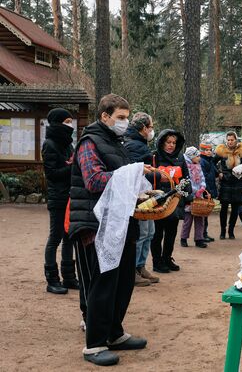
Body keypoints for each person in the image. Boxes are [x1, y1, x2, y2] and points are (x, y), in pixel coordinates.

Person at [69, 94, 148, 366]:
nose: (125, 123)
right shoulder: (89, 143)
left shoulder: (116, 142)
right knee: (102, 285)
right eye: (121, 118)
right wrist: (133, 173)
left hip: (120, 221)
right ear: (105, 116)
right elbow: (93, 180)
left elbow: (121, 180)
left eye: (127, 118)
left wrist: (140, 183)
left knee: (123, 280)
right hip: (95, 224)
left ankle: (114, 333)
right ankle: (94, 345)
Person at [41, 108, 78, 294]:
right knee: (55, 238)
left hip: (70, 196)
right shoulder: (49, 144)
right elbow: (51, 174)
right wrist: (70, 167)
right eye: (66, 121)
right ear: (57, 122)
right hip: (57, 198)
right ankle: (52, 279)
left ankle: (69, 278)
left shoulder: (68, 144)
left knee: (69, 237)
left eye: (71, 121)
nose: (69, 125)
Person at [123, 112, 160, 287]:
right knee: (142, 233)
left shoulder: (138, 143)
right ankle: (132, 270)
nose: (152, 131)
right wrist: (158, 175)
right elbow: (135, 170)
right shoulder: (134, 145)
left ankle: (141, 266)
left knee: (149, 232)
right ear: (144, 128)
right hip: (138, 194)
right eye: (151, 127)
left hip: (144, 191)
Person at [150, 129, 191, 273]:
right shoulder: (154, 156)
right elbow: (148, 178)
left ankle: (167, 258)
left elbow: (186, 178)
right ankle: (157, 261)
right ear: (162, 143)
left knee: (171, 232)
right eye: (168, 142)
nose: (171, 145)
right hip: (159, 201)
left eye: (174, 142)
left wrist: (188, 196)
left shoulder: (180, 158)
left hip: (175, 201)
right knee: (157, 233)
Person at [213, 131, 242, 240]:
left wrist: (241, 170)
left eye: (232, 140)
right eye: (228, 140)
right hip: (226, 181)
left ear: (236, 140)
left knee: (235, 208)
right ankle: (223, 231)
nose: (230, 142)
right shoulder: (222, 151)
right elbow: (212, 162)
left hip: (238, 182)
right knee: (224, 208)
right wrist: (219, 173)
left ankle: (231, 231)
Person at [180, 147, 208, 248]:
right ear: (191, 156)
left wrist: (202, 187)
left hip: (199, 195)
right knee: (188, 219)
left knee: (200, 218)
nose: (199, 158)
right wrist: (191, 191)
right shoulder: (185, 167)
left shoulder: (198, 166)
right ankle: (183, 238)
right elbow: (186, 181)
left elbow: (202, 178)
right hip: (190, 195)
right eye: (197, 156)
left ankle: (199, 239)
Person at [199, 142, 217, 242]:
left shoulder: (209, 160)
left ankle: (204, 233)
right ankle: (202, 234)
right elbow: (204, 177)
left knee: (206, 214)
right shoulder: (203, 161)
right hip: (205, 190)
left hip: (209, 189)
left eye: (210, 150)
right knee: (203, 214)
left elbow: (214, 172)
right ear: (202, 151)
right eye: (206, 150)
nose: (209, 152)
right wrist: (207, 190)